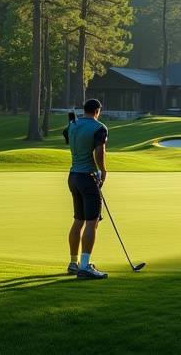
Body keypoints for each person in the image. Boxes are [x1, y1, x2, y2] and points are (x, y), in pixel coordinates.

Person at [63, 98, 110, 280]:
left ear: (84, 110)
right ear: (97, 111)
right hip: (88, 177)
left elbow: (68, 137)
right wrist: (102, 171)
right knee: (92, 221)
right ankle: (85, 266)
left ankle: (73, 263)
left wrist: (73, 124)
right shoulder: (99, 128)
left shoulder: (73, 124)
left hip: (73, 176)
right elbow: (99, 152)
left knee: (78, 220)